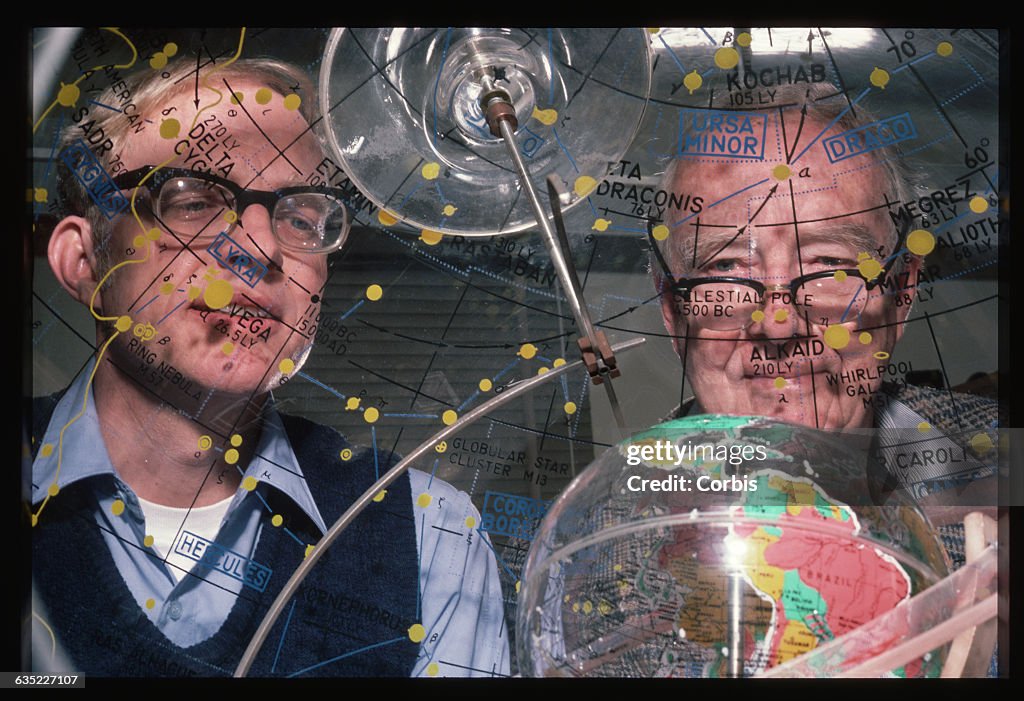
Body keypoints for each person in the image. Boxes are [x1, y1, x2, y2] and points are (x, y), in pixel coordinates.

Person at [30, 56, 509, 677]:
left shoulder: (434, 538)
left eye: (302, 216)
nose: (260, 248)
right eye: (193, 200)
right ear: (86, 262)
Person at [651, 83, 1002, 674]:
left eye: (830, 265)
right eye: (728, 267)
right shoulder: (594, 538)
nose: (779, 323)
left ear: (903, 293)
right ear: (671, 308)